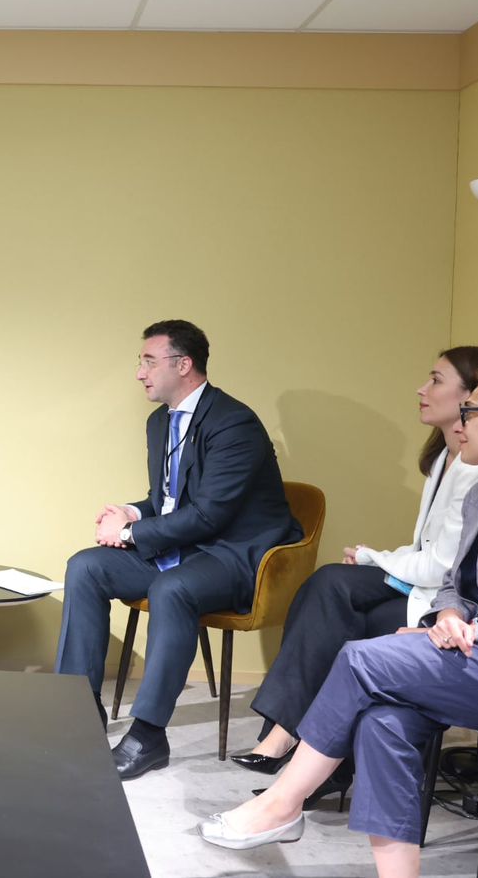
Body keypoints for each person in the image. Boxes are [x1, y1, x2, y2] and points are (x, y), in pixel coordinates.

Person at [201, 365, 478, 878]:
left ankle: (281, 804)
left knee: (361, 659)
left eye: (471, 410)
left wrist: (453, 631)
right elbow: (455, 585)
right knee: (383, 723)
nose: (459, 422)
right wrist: (449, 615)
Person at [231, 346, 478, 786]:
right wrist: (375, 558)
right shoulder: (443, 459)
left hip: (453, 601)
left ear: (471, 395)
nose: (422, 389)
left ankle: (292, 743)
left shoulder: (476, 469)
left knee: (339, 597)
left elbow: (442, 567)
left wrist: (373, 557)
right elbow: (425, 547)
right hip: (426, 586)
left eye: (436, 380)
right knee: (329, 589)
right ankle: (301, 748)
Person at [56, 319, 301, 780]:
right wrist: (131, 512)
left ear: (183, 364)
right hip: (183, 550)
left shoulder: (235, 424)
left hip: (233, 555)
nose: (140, 373)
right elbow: (167, 500)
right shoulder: (159, 422)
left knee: (172, 589)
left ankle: (149, 734)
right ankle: (77, 710)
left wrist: (131, 535)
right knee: (85, 567)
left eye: (149, 361)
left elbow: (211, 515)